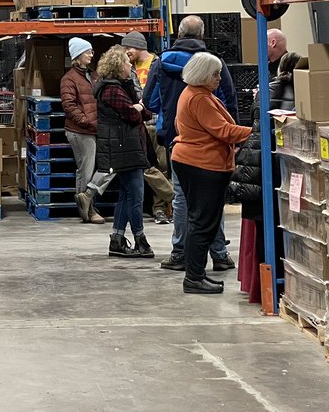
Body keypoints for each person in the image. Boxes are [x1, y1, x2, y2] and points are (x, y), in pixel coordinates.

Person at [144, 15, 239, 272]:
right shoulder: (213, 63)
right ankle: (219, 254)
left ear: (179, 34)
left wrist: (168, 110)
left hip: (177, 142)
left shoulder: (161, 63)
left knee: (182, 199)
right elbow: (229, 102)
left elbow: (149, 102)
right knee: (212, 198)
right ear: (202, 34)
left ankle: (180, 253)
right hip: (212, 143)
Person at [172, 52, 252, 295]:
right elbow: (224, 130)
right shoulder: (200, 99)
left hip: (196, 162)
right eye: (215, 74)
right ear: (203, 75)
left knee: (201, 221)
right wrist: (257, 132)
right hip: (202, 165)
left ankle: (196, 275)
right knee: (203, 223)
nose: (219, 78)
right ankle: (194, 278)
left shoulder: (194, 94)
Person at [231, 51, 299, 304]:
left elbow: (255, 125)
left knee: (262, 230)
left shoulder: (264, 91)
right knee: (282, 230)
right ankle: (281, 287)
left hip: (255, 167)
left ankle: (265, 289)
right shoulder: (301, 91)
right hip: (277, 168)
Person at [76, 47, 155, 258]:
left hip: (126, 147)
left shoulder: (120, 86)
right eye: (128, 64)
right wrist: (137, 108)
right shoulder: (112, 89)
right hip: (124, 149)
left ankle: (117, 240)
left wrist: (139, 109)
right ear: (119, 66)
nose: (131, 67)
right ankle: (140, 240)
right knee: (136, 196)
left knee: (126, 195)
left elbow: (143, 112)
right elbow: (132, 114)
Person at [122, 32, 173, 224]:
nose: (127, 52)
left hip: (158, 122)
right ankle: (171, 200)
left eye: (129, 48)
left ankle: (160, 209)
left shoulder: (159, 64)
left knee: (163, 166)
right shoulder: (128, 68)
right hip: (140, 124)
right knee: (148, 167)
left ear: (139, 46)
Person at [61, 37, 103, 223]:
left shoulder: (93, 75)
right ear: (77, 55)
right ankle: (88, 211)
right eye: (87, 52)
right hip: (80, 132)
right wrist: (87, 122)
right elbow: (69, 106)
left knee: (93, 169)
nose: (91, 54)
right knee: (86, 170)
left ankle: (87, 205)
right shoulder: (69, 79)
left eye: (92, 51)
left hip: (93, 129)